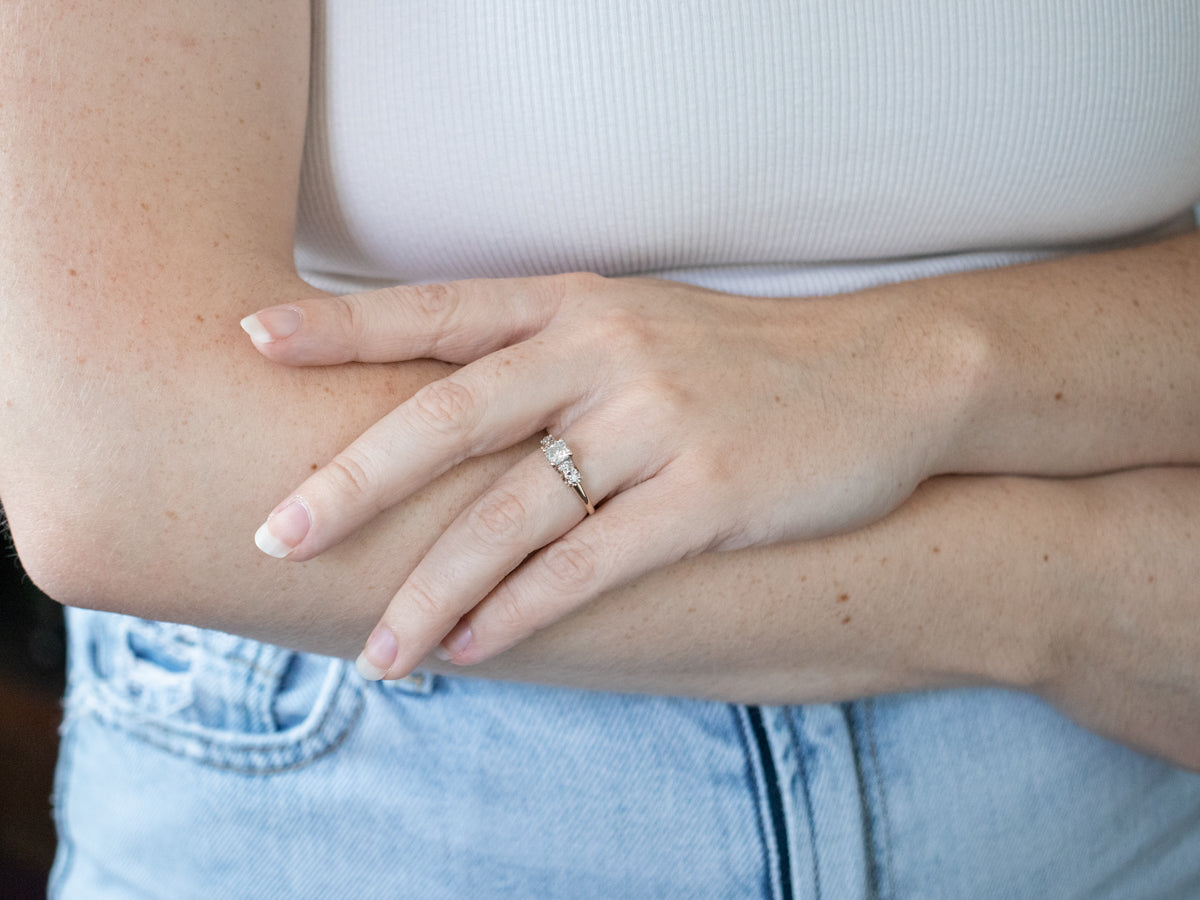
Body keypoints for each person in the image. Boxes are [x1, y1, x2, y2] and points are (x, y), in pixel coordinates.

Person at [2, 1, 1199, 896]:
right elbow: (127, 460)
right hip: (381, 770)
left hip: (1114, 787)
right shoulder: (1096, 592)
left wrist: (912, 370)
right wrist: (1061, 586)